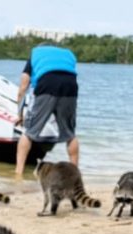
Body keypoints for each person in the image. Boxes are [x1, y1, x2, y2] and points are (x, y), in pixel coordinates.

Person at [14, 44, 80, 177]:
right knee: (70, 134)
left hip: (47, 85)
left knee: (28, 132)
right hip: (70, 87)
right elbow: (67, 74)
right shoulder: (68, 53)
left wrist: (19, 114)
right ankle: (74, 174)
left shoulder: (35, 53)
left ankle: (18, 173)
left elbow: (24, 86)